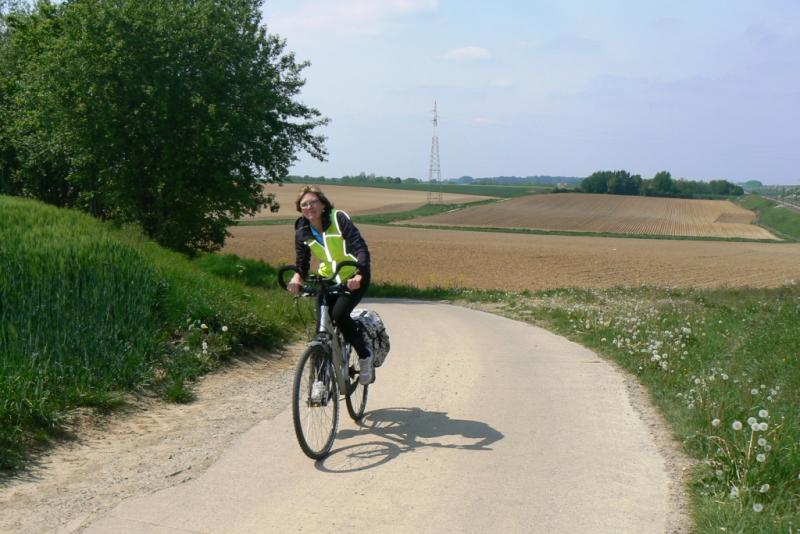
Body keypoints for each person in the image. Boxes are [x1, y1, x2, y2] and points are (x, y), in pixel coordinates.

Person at [287, 185, 374, 385]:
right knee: (321, 328)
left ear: (323, 204)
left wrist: (359, 274)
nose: (309, 207)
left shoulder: (338, 218)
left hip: (353, 275)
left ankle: (365, 356)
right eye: (304, 204)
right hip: (328, 278)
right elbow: (302, 261)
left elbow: (360, 247)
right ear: (300, 209)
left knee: (339, 315)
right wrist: (297, 278)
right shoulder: (302, 228)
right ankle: (320, 381)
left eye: (313, 202)